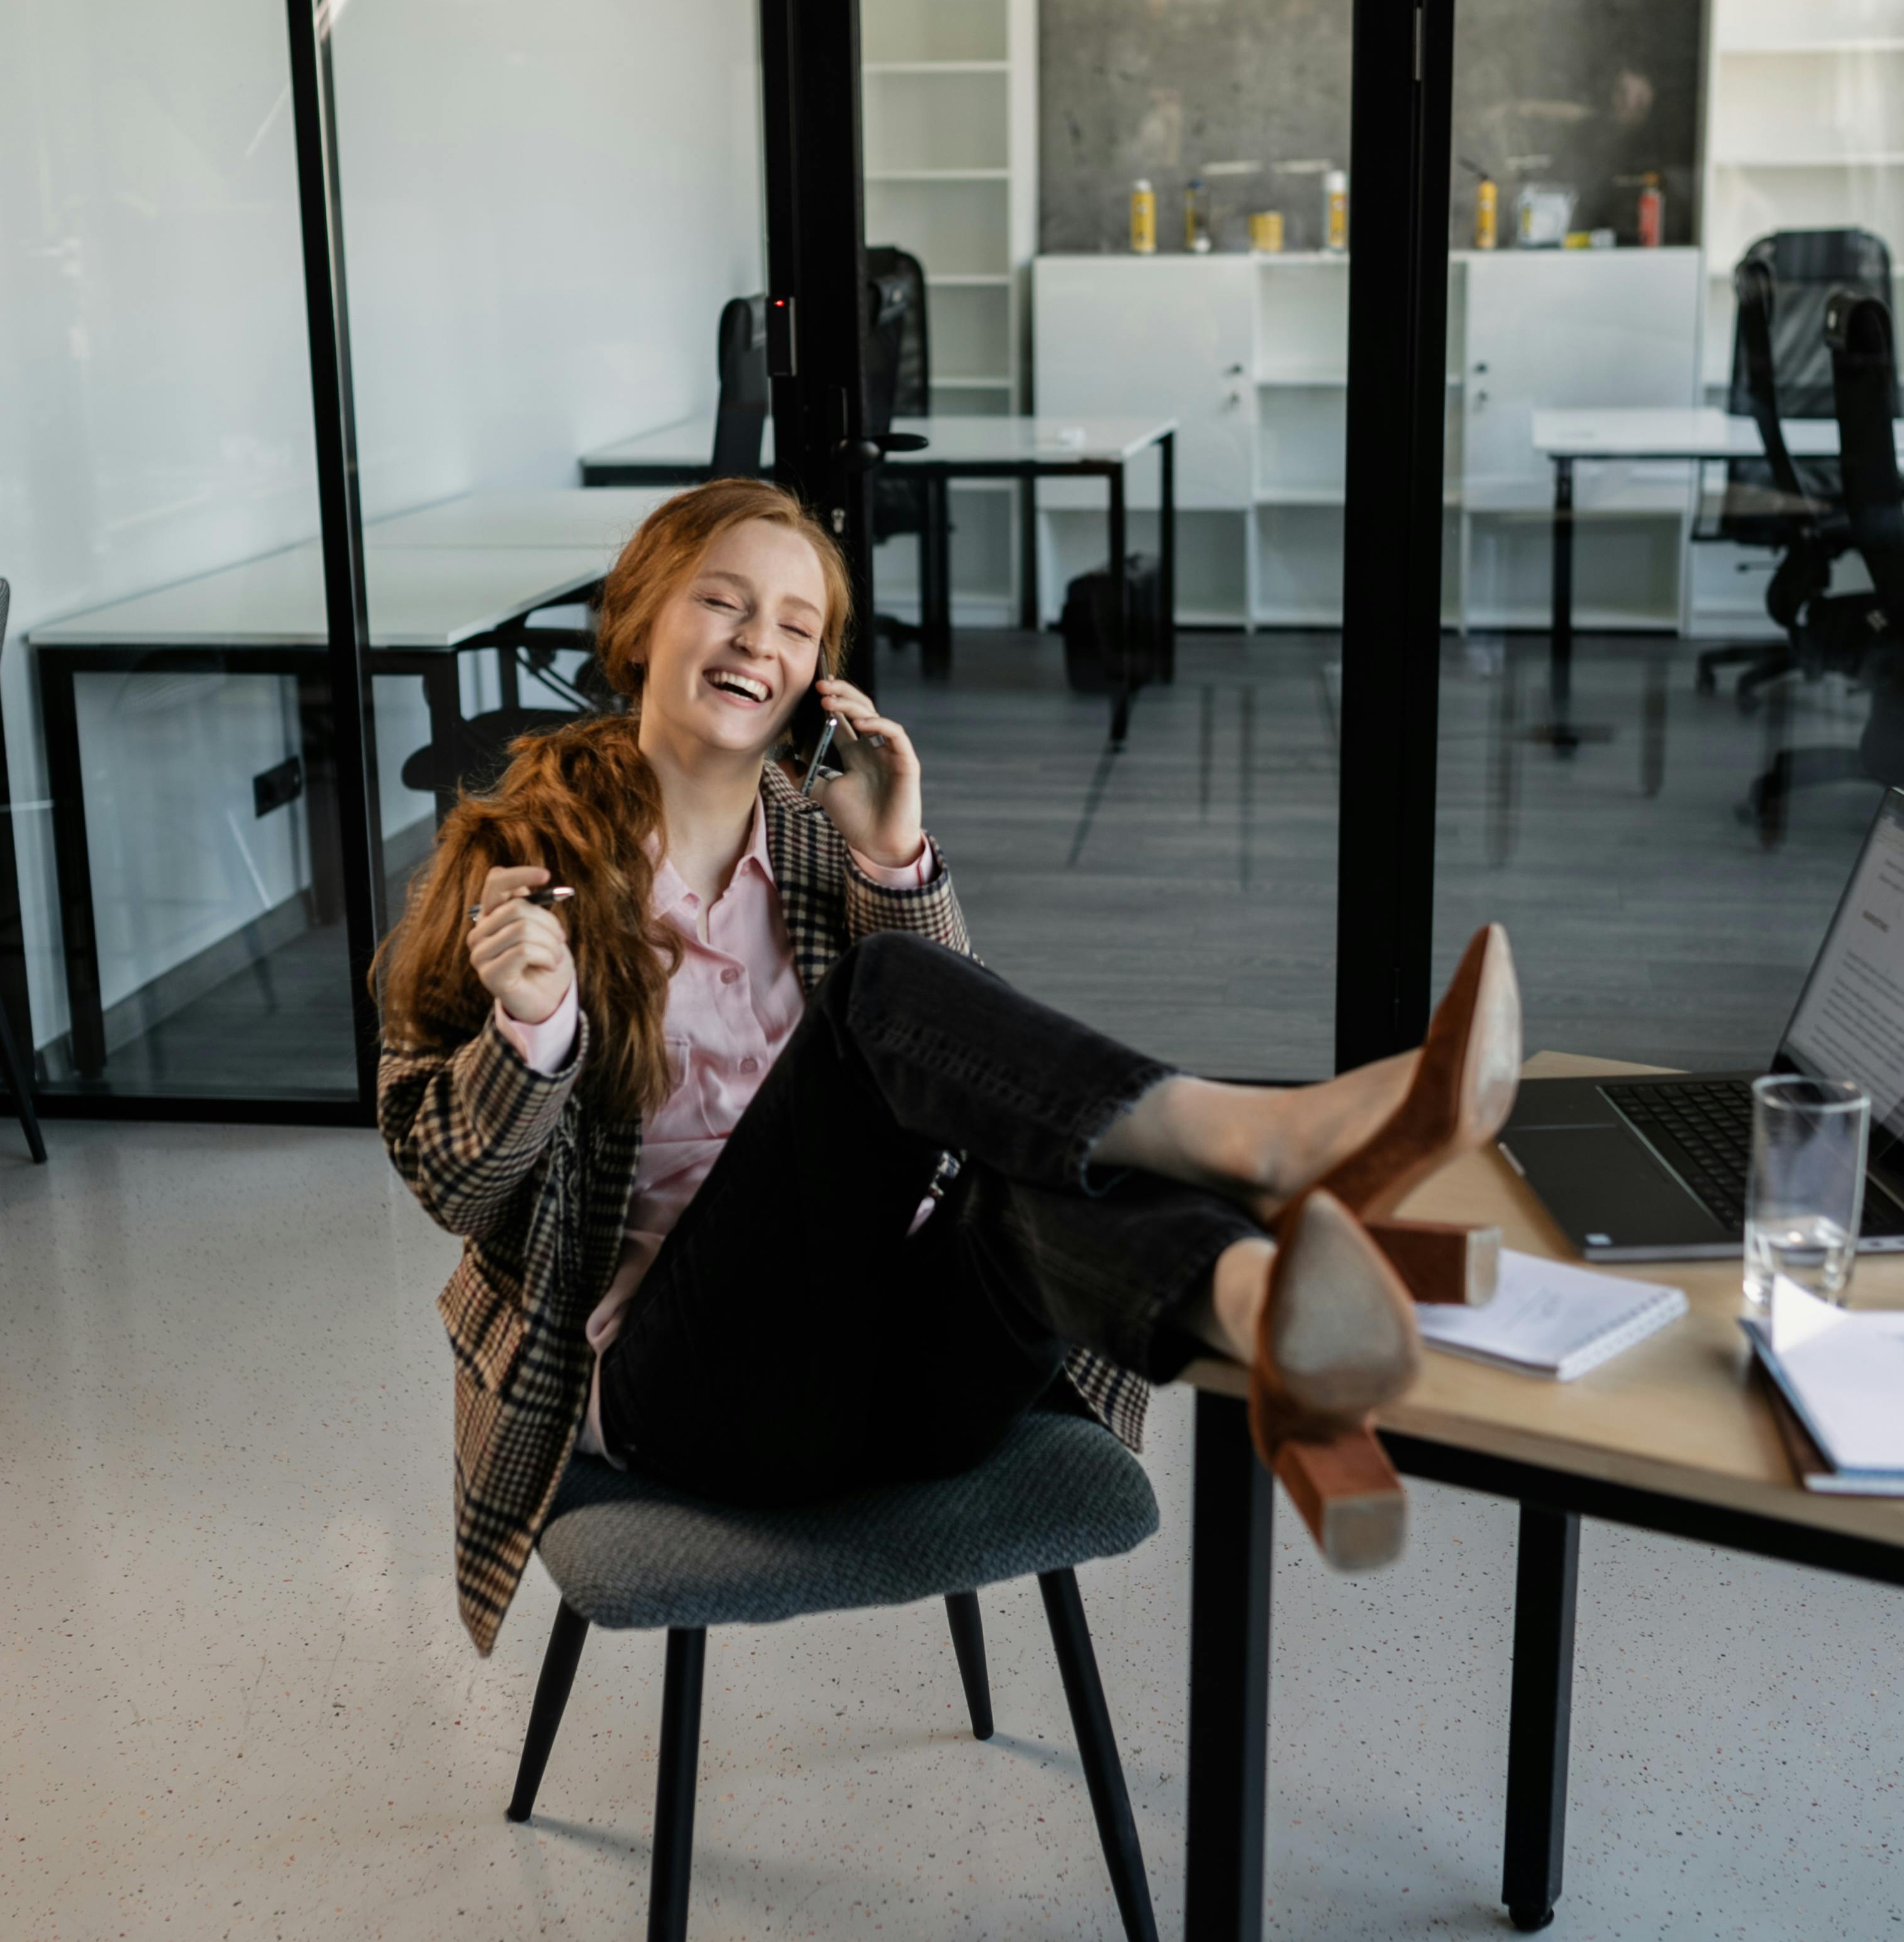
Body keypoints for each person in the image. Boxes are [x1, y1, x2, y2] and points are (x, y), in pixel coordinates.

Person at [375, 479, 1518, 1655]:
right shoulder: (512, 861)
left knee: (1025, 1174)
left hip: (904, 1370)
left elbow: (980, 1084)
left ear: (819, 671)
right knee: (887, 1003)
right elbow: (449, 1183)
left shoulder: (824, 841)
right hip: (699, 1395)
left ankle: (1264, 1310)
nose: (756, 641)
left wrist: (892, 859)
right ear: (641, 618)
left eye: (795, 624)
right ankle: (1263, 1143)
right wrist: (535, 1029)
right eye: (721, 602)